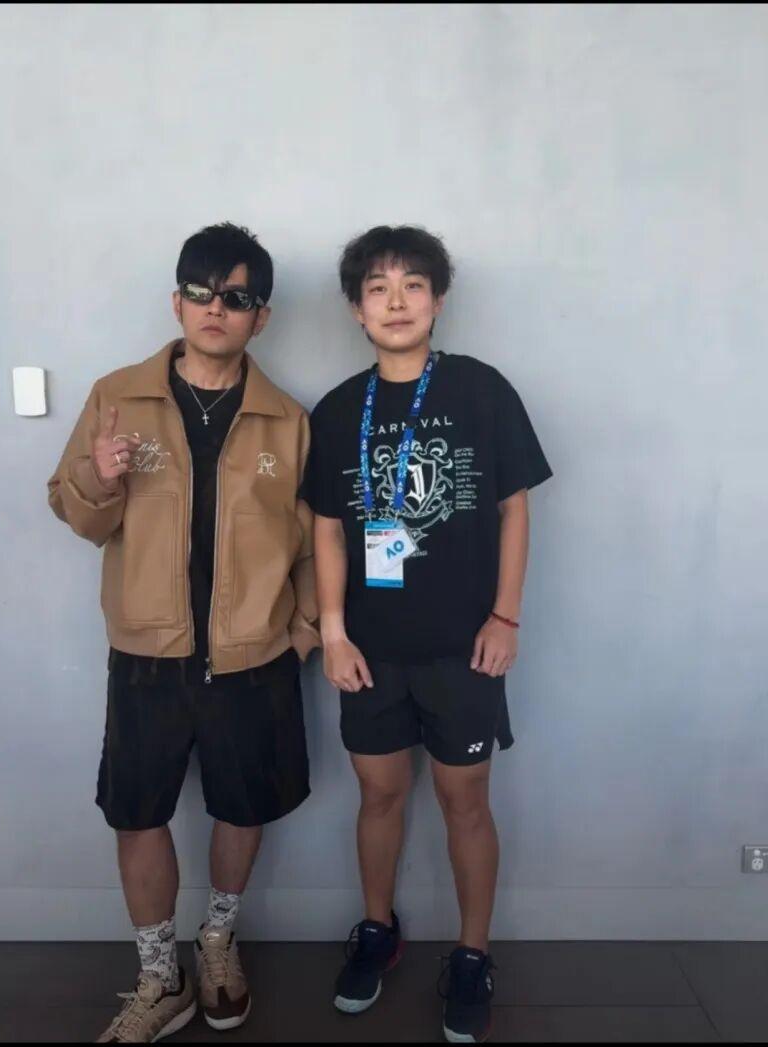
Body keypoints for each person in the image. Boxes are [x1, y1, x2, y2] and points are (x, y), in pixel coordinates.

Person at [48, 222, 319, 1043]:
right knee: (138, 813)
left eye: (236, 297)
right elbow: (74, 510)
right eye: (200, 292)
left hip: (253, 657)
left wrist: (303, 629)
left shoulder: (287, 420)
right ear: (177, 301)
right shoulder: (118, 396)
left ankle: (217, 941)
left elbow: (316, 539)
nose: (215, 308)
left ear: (260, 316)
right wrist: (99, 476)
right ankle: (159, 974)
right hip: (147, 654)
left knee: (244, 805)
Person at [301, 225, 552, 1044]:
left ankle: (473, 955)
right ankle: (379, 928)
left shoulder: (481, 390)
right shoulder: (339, 409)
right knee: (378, 795)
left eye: (413, 284)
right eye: (378, 288)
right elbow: (327, 528)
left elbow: (515, 507)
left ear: (438, 300)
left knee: (463, 801)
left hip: (464, 647)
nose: (397, 301)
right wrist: (333, 631)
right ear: (357, 309)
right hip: (370, 650)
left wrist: (505, 616)